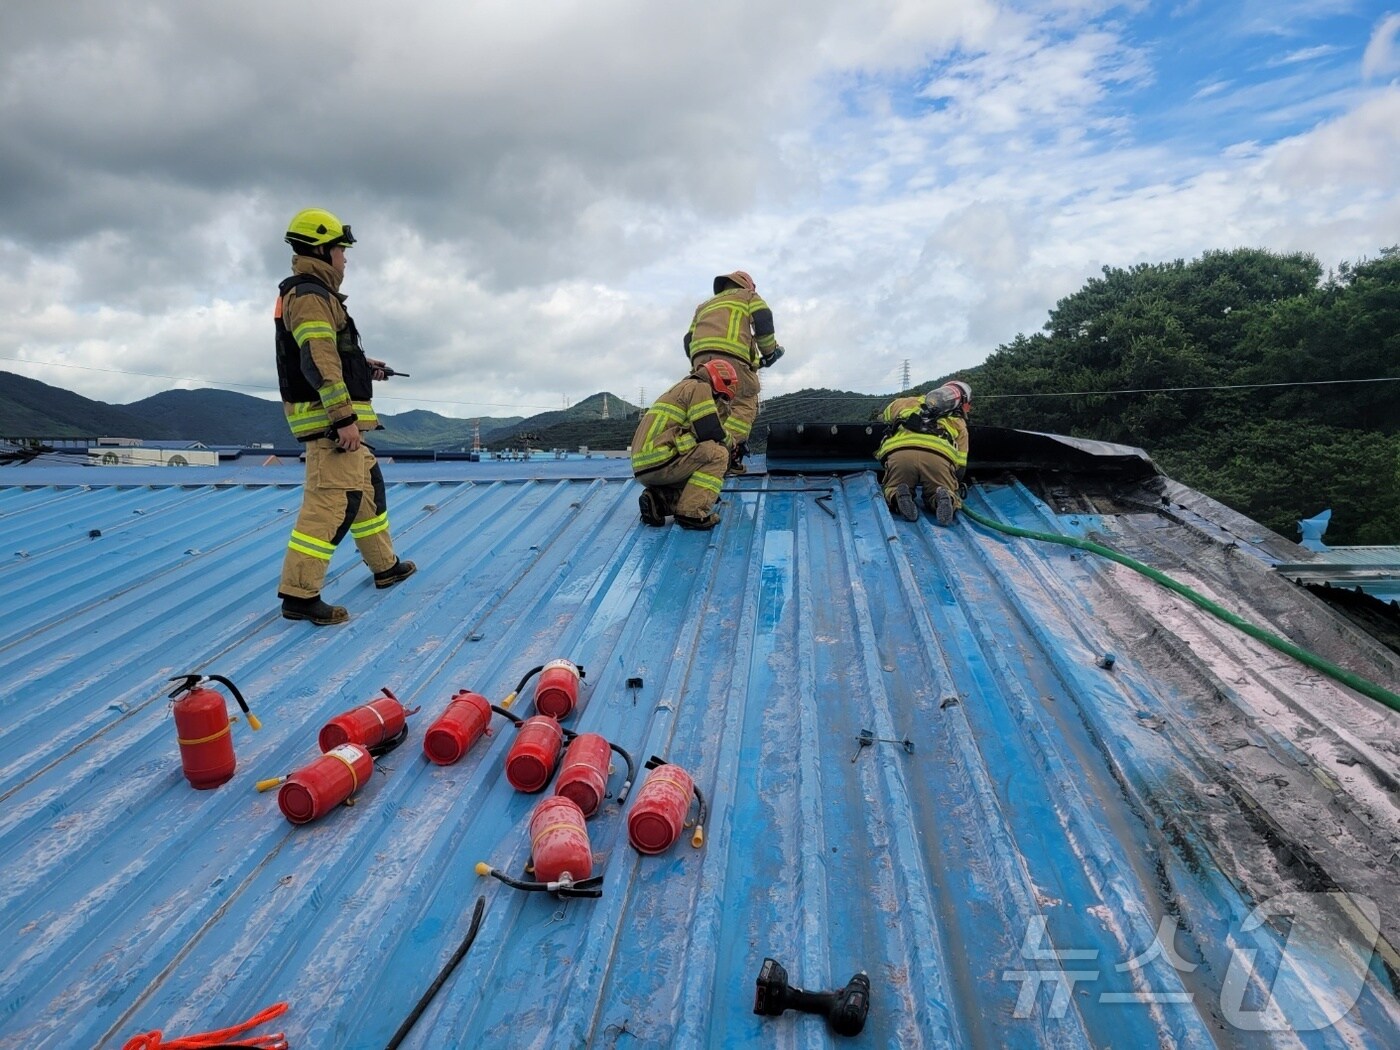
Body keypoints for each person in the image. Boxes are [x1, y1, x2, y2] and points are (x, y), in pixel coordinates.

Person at [274, 208, 415, 625]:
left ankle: (384, 567)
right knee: (329, 506)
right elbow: (318, 359)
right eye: (341, 249)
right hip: (328, 424)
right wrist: (342, 419)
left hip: (335, 421)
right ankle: (300, 596)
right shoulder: (312, 295)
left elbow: (329, 352)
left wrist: (359, 362)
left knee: (366, 490)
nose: (345, 259)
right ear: (321, 248)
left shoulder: (316, 294)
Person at [684, 271, 784, 476]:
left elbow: (688, 339)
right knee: (744, 401)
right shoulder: (748, 296)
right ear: (748, 285)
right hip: (731, 357)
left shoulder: (704, 306)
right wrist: (769, 352)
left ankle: (696, 454)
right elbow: (763, 320)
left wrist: (699, 363)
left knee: (708, 405)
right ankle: (727, 454)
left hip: (700, 360)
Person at [631, 359, 739, 530]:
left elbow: (702, 429)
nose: (720, 401)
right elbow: (709, 428)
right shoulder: (700, 387)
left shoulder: (680, 388)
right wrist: (732, 445)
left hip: (646, 465)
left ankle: (659, 501)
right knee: (719, 454)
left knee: (702, 485)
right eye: (722, 397)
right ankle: (691, 513)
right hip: (662, 456)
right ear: (719, 384)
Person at [874, 380, 972, 525]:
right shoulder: (958, 423)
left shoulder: (905, 402)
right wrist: (952, 483)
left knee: (892, 487)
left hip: (900, 454)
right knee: (942, 489)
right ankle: (942, 498)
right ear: (961, 402)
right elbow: (961, 465)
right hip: (938, 458)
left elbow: (883, 418)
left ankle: (898, 495)